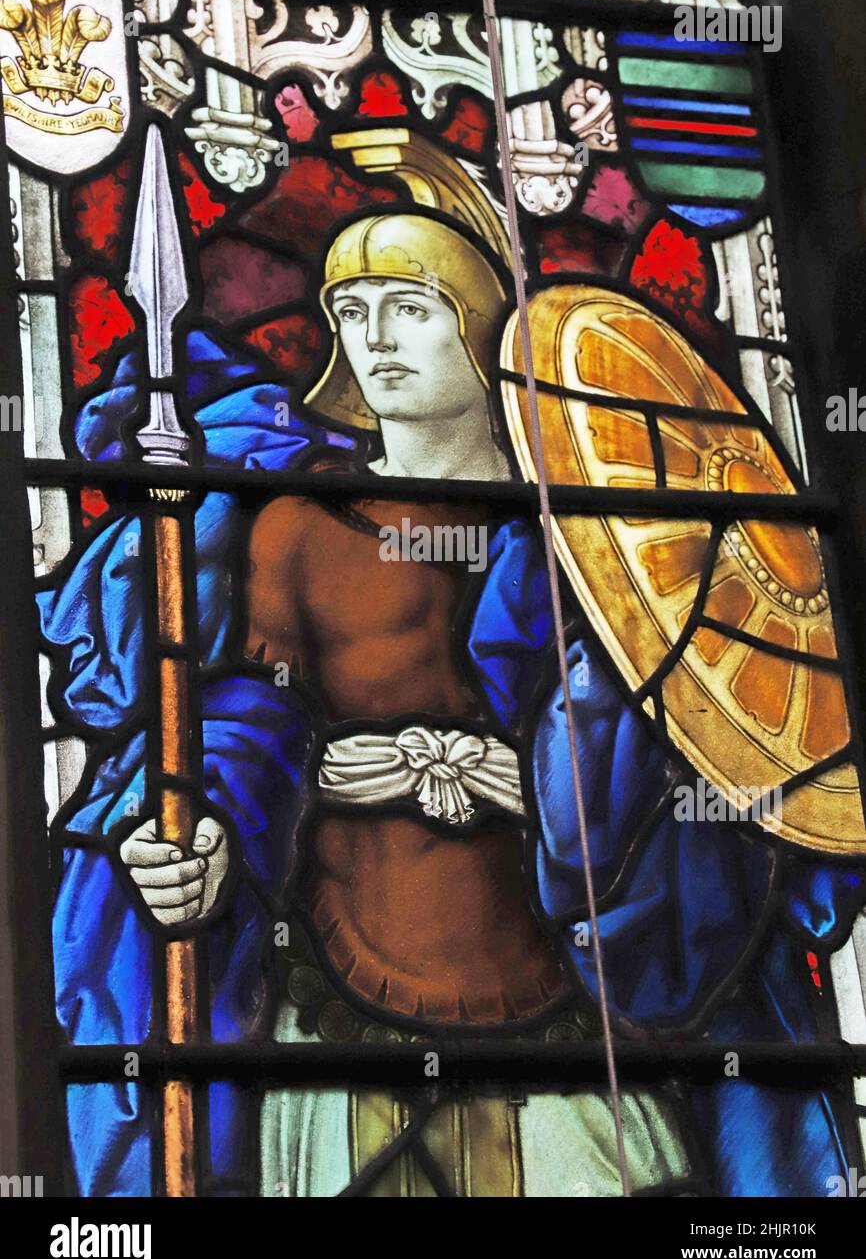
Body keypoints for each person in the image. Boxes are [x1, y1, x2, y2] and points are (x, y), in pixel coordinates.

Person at [44, 209, 866, 1197]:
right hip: (338, 1037)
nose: (373, 337)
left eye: (410, 306)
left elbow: (682, 751)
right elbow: (247, 727)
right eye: (350, 310)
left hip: (572, 1039)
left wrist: (532, 788)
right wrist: (212, 829)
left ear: (480, 323)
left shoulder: (606, 543)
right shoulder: (298, 524)